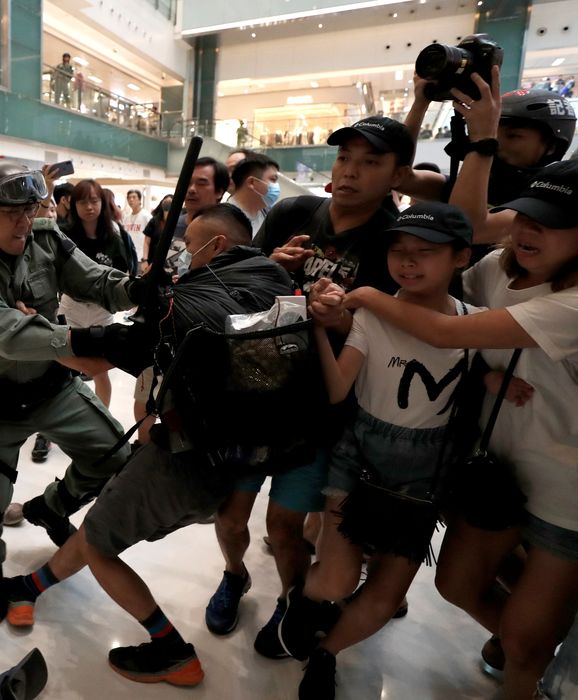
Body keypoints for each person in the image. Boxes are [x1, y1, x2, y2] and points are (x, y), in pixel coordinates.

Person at [0, 204, 296, 687]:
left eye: (188, 244)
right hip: (230, 454)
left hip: (187, 458)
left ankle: (172, 651)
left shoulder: (202, 303)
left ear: (217, 247)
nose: (181, 254)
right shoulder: (271, 278)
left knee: (99, 544)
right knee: (104, 522)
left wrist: (47, 332)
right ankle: (30, 586)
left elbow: (121, 347)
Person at [339, 156, 578, 700]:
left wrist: (363, 296)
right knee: (457, 585)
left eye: (551, 222)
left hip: (570, 491)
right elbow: (453, 285)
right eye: (526, 215)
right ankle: (539, 649)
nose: (527, 230)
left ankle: (533, 658)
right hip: (492, 471)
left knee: (525, 640)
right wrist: (479, 140)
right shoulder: (503, 269)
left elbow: (438, 331)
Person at [211, 116, 412, 660]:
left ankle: (291, 601)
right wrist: (268, 264)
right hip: (255, 393)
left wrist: (343, 320)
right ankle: (234, 576)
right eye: (346, 158)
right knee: (230, 516)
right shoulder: (293, 213)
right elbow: (238, 285)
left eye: (370, 163)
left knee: (284, 525)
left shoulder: (395, 244)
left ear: (399, 174)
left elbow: (398, 330)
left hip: (323, 410)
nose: (350, 172)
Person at [279, 202, 478, 700]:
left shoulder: (477, 324)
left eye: (424, 252)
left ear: (460, 257)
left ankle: (326, 654)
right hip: (360, 459)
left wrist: (498, 379)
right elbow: (338, 389)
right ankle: (303, 602)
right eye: (398, 251)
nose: (408, 262)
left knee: (388, 595)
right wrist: (319, 329)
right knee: (338, 575)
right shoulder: (369, 315)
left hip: (425, 475)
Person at [0, 158, 141, 624]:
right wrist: (90, 341)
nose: (25, 222)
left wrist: (141, 290)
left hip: (55, 389)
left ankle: (48, 507)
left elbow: (97, 282)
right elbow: (11, 336)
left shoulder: (46, 239)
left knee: (114, 459)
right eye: (13, 214)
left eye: (30, 209)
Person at [401, 66, 576, 242]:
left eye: (513, 135)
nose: (497, 142)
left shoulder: (551, 198)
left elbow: (470, 229)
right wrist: (420, 104)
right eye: (495, 132)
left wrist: (484, 140)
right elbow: (400, 177)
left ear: (552, 146)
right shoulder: (471, 182)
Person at [59, 179, 132, 408]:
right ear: (74, 205)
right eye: (82, 201)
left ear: (102, 202)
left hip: (102, 309)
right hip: (72, 306)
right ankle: (50, 431)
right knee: (62, 366)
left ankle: (103, 420)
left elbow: (123, 271)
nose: (89, 207)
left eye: (94, 200)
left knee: (100, 369)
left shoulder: (113, 236)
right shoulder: (64, 235)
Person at [227, 154, 280, 235]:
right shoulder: (224, 219)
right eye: (273, 179)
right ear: (251, 182)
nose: (277, 186)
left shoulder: (265, 216)